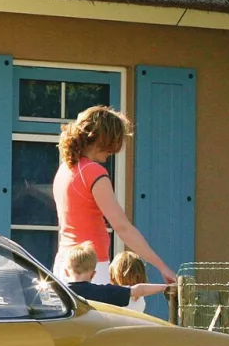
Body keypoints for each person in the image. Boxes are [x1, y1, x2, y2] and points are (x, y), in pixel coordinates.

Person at [52, 105, 174, 283]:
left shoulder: (65, 169)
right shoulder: (93, 172)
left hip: (64, 263)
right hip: (90, 267)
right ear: (102, 139)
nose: (114, 149)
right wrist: (162, 267)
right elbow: (122, 227)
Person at [61, 243, 167, 308]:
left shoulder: (57, 292)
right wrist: (166, 287)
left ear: (66, 272)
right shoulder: (104, 292)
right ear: (93, 274)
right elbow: (139, 290)